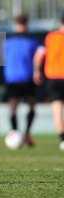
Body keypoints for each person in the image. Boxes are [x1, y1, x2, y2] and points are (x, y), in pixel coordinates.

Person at [3, 15, 39, 147]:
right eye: (20, 24)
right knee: (13, 107)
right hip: (15, 77)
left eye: (23, 24)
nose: (22, 26)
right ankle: (16, 133)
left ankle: (27, 134)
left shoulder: (31, 42)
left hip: (26, 77)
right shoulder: (10, 42)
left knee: (31, 106)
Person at [34, 13, 64, 150]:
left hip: (53, 78)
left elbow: (39, 55)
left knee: (57, 109)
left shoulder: (50, 37)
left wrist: (37, 71)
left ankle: (62, 140)